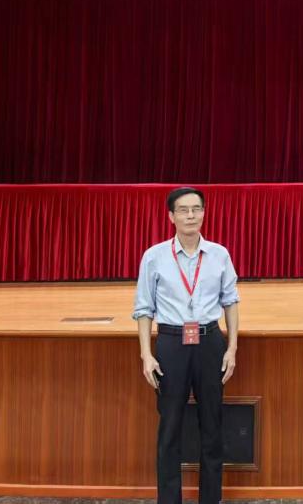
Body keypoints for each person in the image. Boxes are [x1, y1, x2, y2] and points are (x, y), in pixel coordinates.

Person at [133, 186, 240, 504]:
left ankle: (211, 498)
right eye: (183, 210)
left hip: (210, 343)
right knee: (170, 428)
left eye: (196, 209)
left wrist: (232, 348)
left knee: (212, 426)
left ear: (204, 213)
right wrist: (146, 355)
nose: (191, 215)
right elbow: (143, 309)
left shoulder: (219, 254)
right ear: (171, 216)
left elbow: (231, 302)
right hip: (171, 344)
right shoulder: (154, 257)